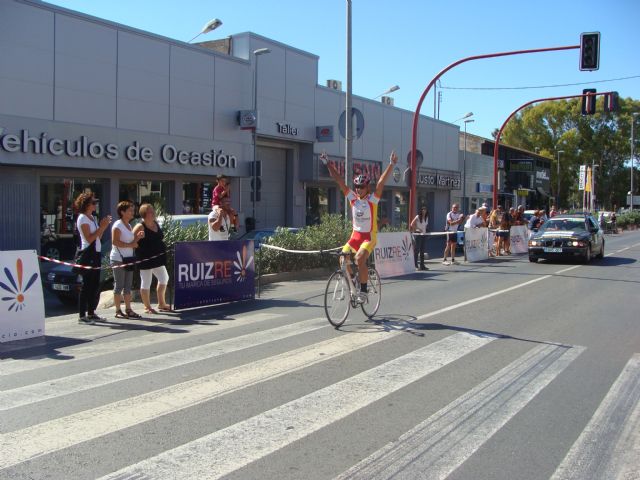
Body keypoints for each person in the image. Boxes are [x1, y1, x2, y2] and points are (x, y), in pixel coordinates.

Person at [323, 150, 398, 303]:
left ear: (367, 188)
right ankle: (353, 283)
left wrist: (391, 164)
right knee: (343, 260)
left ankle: (363, 290)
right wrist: (327, 163)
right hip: (355, 236)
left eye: (361, 187)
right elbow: (339, 181)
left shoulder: (372, 200)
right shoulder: (353, 198)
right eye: (357, 186)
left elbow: (381, 183)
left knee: (359, 258)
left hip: (369, 237)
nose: (358, 189)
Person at [75, 192, 111, 325]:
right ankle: (82, 315)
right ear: (86, 205)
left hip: (96, 252)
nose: (95, 205)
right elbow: (89, 238)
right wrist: (101, 227)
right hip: (88, 253)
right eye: (93, 202)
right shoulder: (82, 218)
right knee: (86, 285)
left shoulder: (92, 218)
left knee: (95, 284)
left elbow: (98, 237)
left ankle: (91, 312)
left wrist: (103, 227)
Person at [133, 204, 172, 314]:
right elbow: (131, 242)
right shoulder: (140, 226)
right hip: (145, 258)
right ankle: (147, 307)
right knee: (146, 281)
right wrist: (138, 237)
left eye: (153, 211)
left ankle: (161, 303)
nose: (153, 213)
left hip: (158, 258)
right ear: (145, 214)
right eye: (151, 211)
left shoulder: (155, 223)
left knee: (164, 278)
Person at [110, 200, 144, 320]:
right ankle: (118, 310)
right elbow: (115, 241)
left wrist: (137, 238)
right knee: (119, 285)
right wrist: (131, 245)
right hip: (118, 259)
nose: (132, 212)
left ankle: (128, 309)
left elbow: (131, 243)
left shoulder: (129, 225)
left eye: (132, 210)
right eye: (129, 210)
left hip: (128, 258)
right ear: (122, 212)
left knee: (128, 285)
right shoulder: (117, 225)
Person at [410, 206, 429, 271]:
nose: (424, 211)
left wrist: (426, 231)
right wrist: (418, 229)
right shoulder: (418, 216)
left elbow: (425, 226)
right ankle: (415, 265)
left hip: (424, 235)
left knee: (422, 250)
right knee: (416, 250)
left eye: (425, 209)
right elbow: (412, 224)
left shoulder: (426, 217)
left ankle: (422, 265)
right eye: (423, 209)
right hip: (418, 235)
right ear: (421, 210)